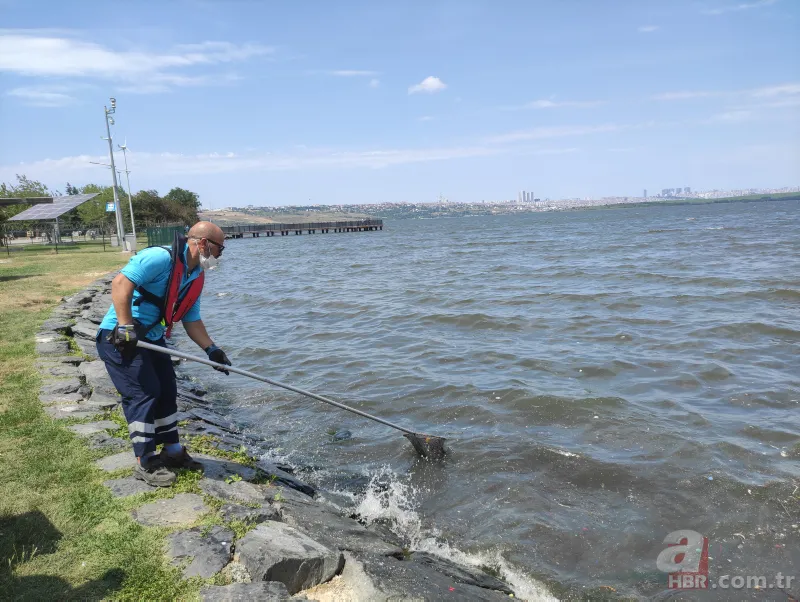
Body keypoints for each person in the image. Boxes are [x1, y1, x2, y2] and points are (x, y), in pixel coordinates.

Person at [96, 221, 232, 487]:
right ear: (203, 243)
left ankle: (171, 452)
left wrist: (212, 350)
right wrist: (125, 327)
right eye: (219, 249)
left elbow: (191, 319)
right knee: (143, 393)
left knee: (167, 390)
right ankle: (145, 461)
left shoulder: (195, 275)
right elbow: (121, 283)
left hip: (152, 339)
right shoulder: (160, 258)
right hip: (119, 338)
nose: (219, 256)